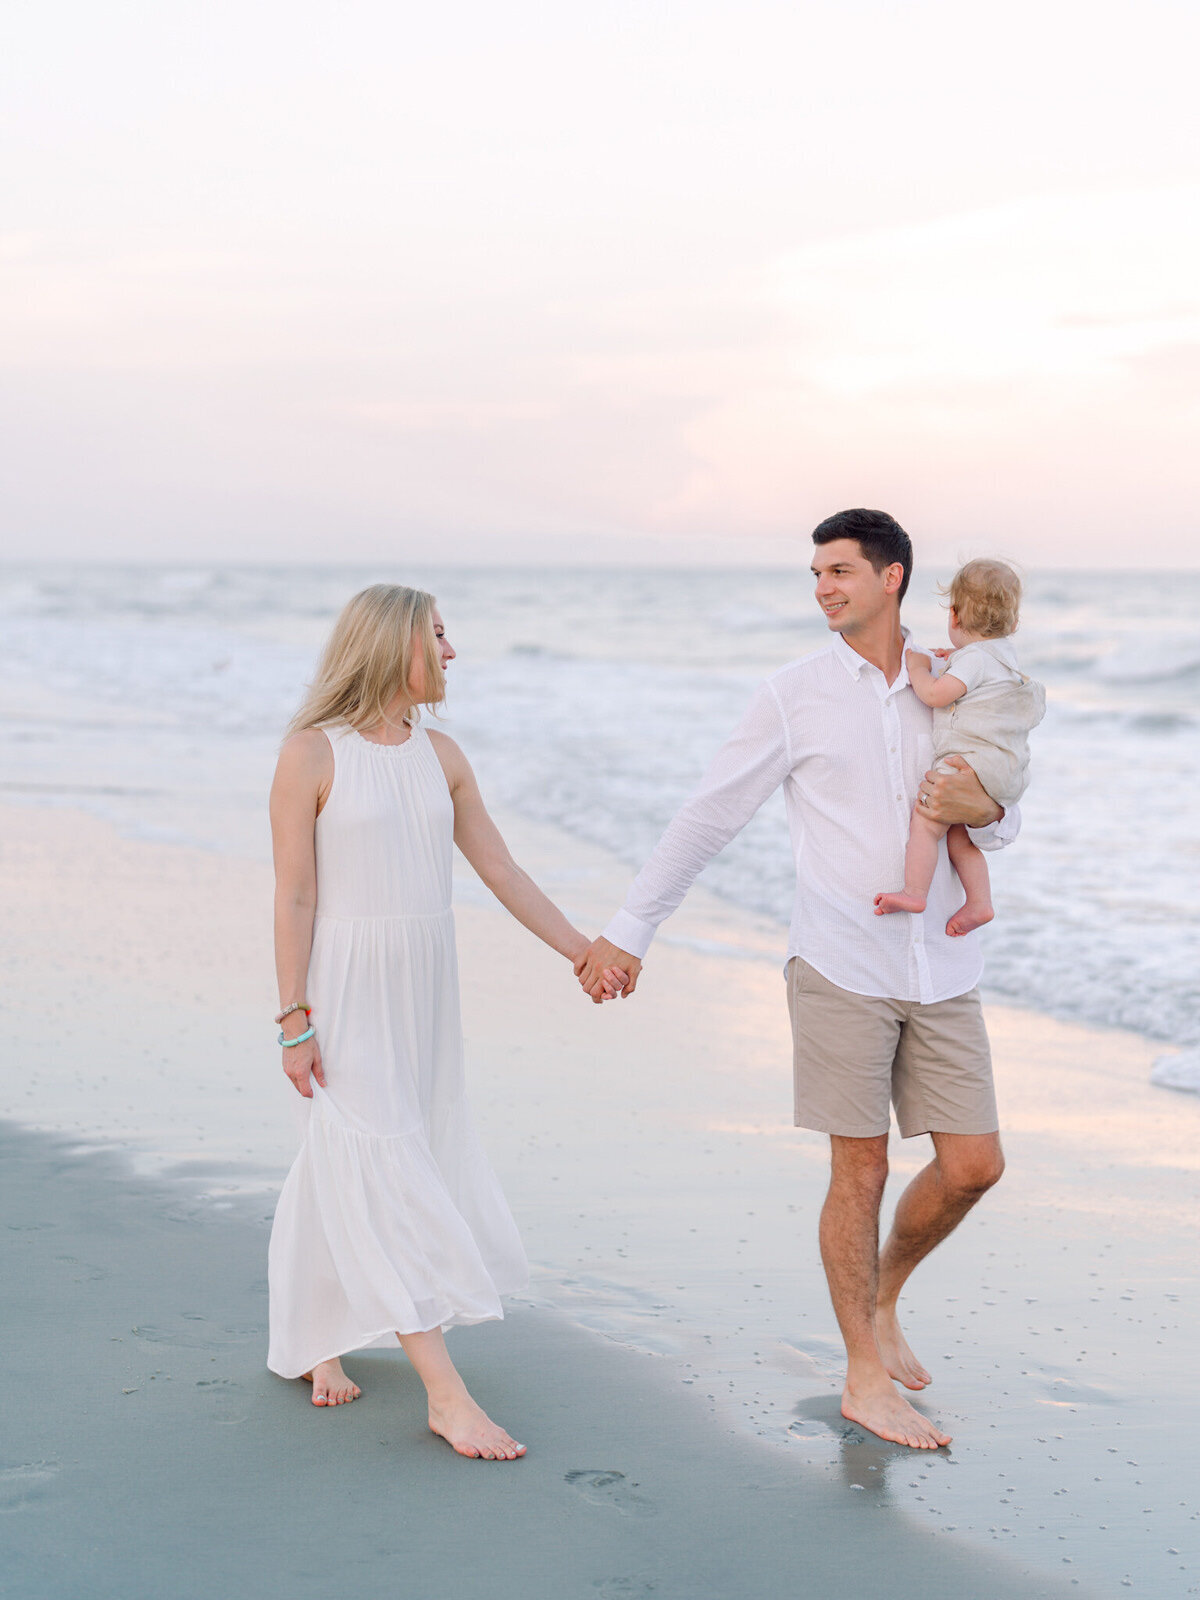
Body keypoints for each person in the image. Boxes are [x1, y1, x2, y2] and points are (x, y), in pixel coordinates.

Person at [575, 509, 1018, 1450]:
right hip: (840, 962)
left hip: (942, 959)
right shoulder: (795, 694)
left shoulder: (956, 682)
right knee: (858, 1168)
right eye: (816, 572)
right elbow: (708, 817)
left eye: (841, 570)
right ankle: (863, 1374)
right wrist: (630, 931)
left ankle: (885, 1291)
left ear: (892, 578)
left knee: (976, 1166)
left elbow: (1002, 809)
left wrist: (992, 807)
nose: (823, 587)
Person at [266, 583, 620, 1460]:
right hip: (348, 981)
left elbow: (499, 868)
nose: (453, 652)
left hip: (425, 981)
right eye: (439, 635)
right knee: (374, 1150)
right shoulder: (310, 754)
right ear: (394, 645)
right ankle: (445, 1394)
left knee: (368, 1148)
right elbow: (296, 893)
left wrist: (583, 949)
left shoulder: (443, 754)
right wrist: (293, 1017)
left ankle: (313, 1334)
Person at [874, 558, 1045, 933]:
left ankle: (915, 891)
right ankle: (980, 903)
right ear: (1013, 624)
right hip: (1004, 774)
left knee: (926, 822)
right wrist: (957, 659)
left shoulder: (974, 661)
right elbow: (984, 674)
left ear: (953, 615)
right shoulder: (1004, 658)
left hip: (969, 764)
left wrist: (917, 667)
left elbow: (937, 694)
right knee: (957, 833)